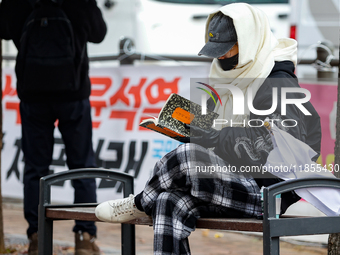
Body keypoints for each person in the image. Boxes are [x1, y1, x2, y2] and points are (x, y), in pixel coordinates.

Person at [95, 3, 321, 255]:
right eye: (217, 51)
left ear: (248, 41)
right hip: (236, 181)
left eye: (226, 49)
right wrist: (200, 131)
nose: (221, 57)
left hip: (270, 193)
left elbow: (281, 146)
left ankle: (139, 202)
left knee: (188, 156)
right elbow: (229, 138)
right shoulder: (232, 76)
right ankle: (149, 200)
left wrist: (215, 138)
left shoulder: (279, 83)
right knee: (168, 201)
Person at [0, 0, 107, 254]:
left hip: (33, 95)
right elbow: (99, 33)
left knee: (36, 168)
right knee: (81, 165)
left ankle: (37, 237)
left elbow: (3, 27)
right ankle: (84, 237)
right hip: (74, 95)